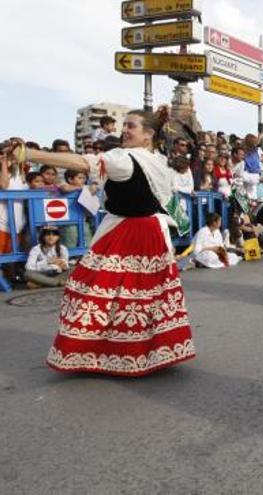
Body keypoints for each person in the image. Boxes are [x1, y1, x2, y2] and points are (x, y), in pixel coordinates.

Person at [6, 106, 196, 376]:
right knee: (142, 296)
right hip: (150, 231)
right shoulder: (158, 160)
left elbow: (83, 163)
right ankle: (145, 353)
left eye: (131, 126)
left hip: (128, 231)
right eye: (125, 125)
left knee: (92, 290)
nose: (125, 130)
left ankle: (99, 351)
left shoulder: (126, 158)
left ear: (148, 135)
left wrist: (29, 153)